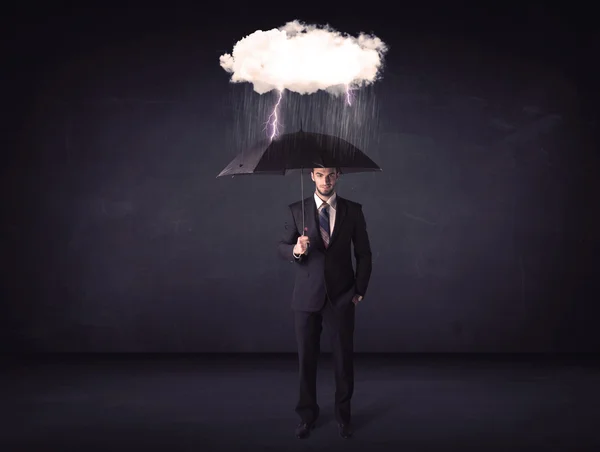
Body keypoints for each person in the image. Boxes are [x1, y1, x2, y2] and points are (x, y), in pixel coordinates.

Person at [278, 166, 372, 440]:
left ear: (338, 176)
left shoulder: (353, 210)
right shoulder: (297, 209)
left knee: (344, 361)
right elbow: (280, 247)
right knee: (306, 360)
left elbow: (364, 253)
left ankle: (344, 418)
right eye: (320, 175)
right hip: (306, 299)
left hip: (342, 297)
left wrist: (359, 290)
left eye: (330, 174)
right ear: (312, 176)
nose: (325, 180)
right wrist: (296, 249)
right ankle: (307, 417)